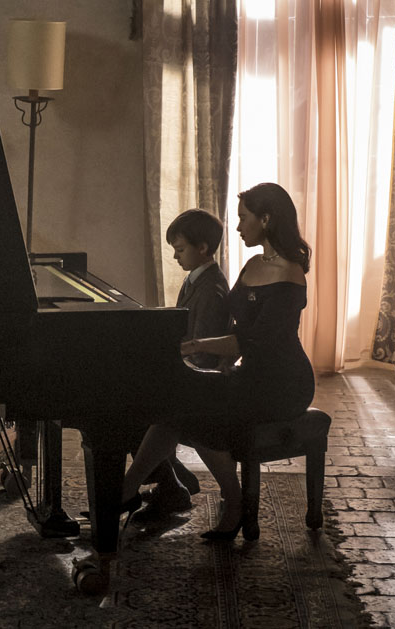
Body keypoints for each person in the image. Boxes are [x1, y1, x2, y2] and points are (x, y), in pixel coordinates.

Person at [120, 182, 315, 539]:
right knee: (176, 404)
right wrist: (205, 354)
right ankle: (127, 490)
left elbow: (257, 342)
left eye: (243, 218)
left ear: (266, 219)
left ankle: (233, 501)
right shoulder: (254, 264)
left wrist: (193, 347)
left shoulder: (289, 274)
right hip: (250, 373)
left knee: (190, 405)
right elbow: (240, 327)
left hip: (282, 384)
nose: (237, 227)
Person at [138, 208, 231, 517]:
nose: (175, 257)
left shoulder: (211, 290)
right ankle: (173, 479)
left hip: (202, 382)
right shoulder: (195, 281)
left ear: (202, 248)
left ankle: (171, 484)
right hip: (189, 372)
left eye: (180, 250)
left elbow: (203, 354)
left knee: (134, 408)